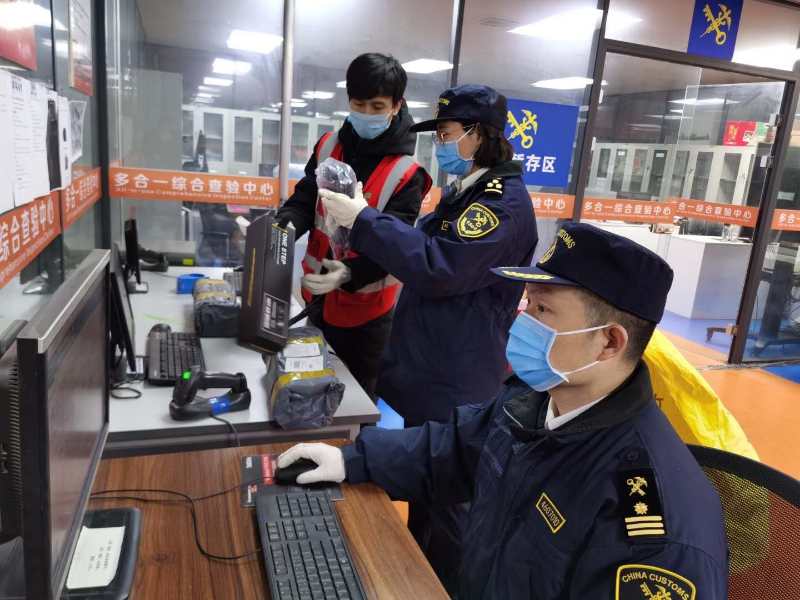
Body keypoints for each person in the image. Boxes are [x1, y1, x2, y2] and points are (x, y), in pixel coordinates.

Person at [278, 223, 729, 599]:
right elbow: (450, 450)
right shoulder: (532, 403)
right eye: (527, 302)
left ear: (609, 342)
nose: (522, 319)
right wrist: (349, 459)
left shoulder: (655, 531)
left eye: (543, 309)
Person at [319, 84, 539, 424]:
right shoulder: (467, 193)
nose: (439, 144)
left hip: (456, 376)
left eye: (445, 134)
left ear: (478, 134)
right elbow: (417, 247)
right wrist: (353, 270)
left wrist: (363, 219)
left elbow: (440, 266)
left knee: (438, 454)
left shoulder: (501, 206)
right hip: (430, 361)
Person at [276, 53, 431, 399]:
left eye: (377, 106)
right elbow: (305, 199)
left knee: (355, 405)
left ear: (396, 106)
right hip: (317, 297)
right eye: (359, 104)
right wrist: (282, 227)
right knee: (310, 389)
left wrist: (348, 273)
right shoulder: (329, 146)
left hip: (368, 316)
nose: (366, 114)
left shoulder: (406, 174)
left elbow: (395, 246)